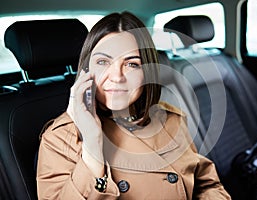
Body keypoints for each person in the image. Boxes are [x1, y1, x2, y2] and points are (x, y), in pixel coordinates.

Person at [36, 11, 231, 199]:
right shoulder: (60, 139)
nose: (117, 77)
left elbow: (206, 184)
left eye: (132, 64)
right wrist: (92, 146)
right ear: (86, 70)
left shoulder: (169, 118)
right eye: (103, 62)